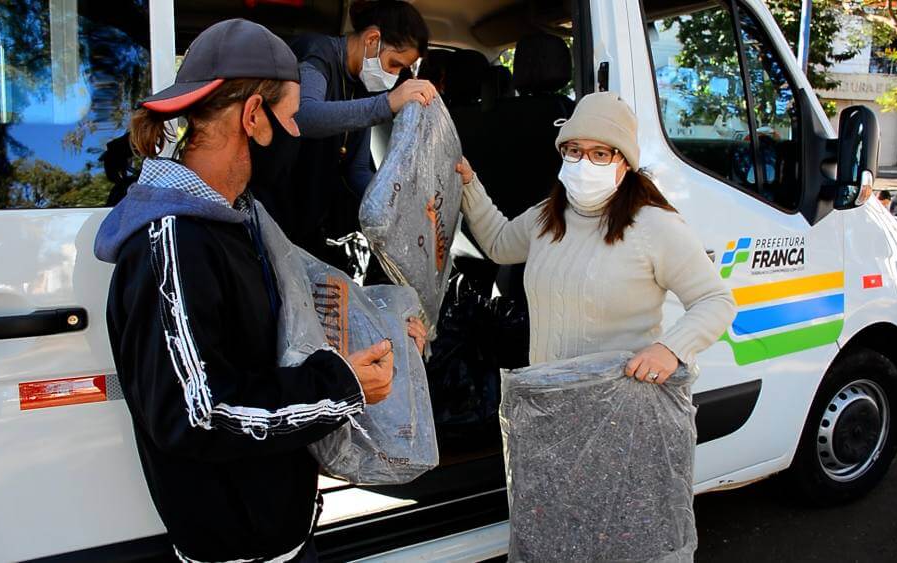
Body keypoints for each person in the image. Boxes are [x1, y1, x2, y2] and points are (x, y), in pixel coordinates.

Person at [93, 20, 426, 563]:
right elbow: (200, 413)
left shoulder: (242, 218)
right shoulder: (176, 240)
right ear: (252, 115)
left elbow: (288, 328)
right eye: (291, 119)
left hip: (280, 534)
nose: (297, 137)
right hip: (237, 550)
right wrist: (340, 387)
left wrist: (385, 331)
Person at [454, 91, 734, 556]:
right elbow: (501, 243)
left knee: (617, 541)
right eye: (574, 150)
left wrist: (671, 348)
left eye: (600, 153)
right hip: (550, 417)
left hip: (619, 423)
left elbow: (715, 300)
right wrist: (468, 184)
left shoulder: (654, 226)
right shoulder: (549, 217)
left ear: (623, 162)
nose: (585, 162)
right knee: (554, 539)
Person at [252, 0, 435, 275]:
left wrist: (397, 207)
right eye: (394, 64)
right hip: (269, 217)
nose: (395, 76)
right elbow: (305, 116)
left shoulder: (364, 86)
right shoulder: (318, 55)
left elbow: (356, 168)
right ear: (372, 39)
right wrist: (385, 104)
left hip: (306, 229)